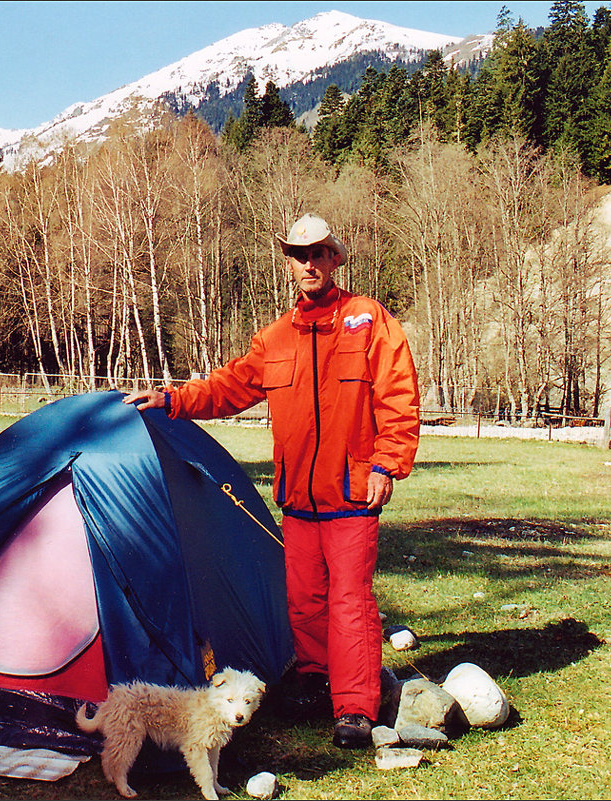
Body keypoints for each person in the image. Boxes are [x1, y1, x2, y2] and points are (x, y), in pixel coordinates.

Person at [124, 213, 420, 749]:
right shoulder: (277, 337)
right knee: (305, 600)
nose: (309, 263)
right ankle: (313, 681)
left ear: (335, 258)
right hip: (299, 500)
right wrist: (172, 400)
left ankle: (354, 708)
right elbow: (228, 387)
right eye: (298, 255)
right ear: (289, 263)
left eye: (319, 253)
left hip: (353, 493)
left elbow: (399, 396)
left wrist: (386, 463)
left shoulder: (368, 320)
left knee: (350, 601)